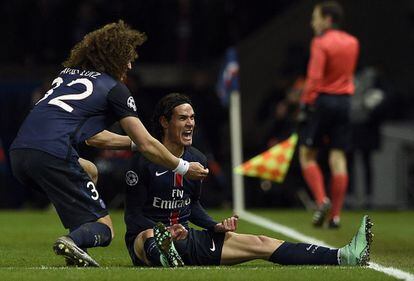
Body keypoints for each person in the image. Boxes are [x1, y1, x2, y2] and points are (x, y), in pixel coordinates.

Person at [9, 21, 208, 267]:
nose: (130, 65)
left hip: (19, 154)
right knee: (105, 230)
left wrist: (135, 144)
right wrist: (184, 167)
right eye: (127, 58)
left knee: (90, 171)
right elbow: (145, 142)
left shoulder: (66, 76)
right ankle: (72, 240)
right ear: (114, 57)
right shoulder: (115, 88)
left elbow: (95, 138)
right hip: (54, 154)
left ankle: (78, 246)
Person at [123, 93, 372, 268]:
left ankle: (343, 256)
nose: (190, 124)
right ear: (165, 122)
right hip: (148, 240)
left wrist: (214, 226)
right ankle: (163, 256)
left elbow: (193, 205)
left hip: (188, 238)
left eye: (192, 118)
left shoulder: (197, 159)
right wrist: (164, 231)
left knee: (261, 243)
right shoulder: (143, 161)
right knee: (146, 237)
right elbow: (132, 217)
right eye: (182, 118)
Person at [298, 1, 359, 228]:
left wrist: (305, 103)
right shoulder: (353, 42)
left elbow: (314, 78)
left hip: (323, 101)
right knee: (338, 157)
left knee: (307, 154)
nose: (312, 23)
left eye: (315, 17)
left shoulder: (321, 42)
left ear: (327, 19)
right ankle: (335, 215)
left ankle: (321, 199)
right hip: (345, 102)